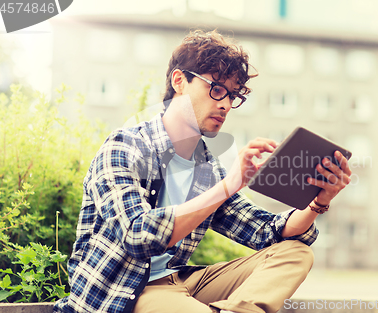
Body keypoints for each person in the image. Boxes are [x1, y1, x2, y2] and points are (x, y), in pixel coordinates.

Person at [53, 29, 352, 313]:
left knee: (295, 253)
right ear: (179, 81)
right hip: (124, 293)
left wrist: (318, 200)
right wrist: (229, 185)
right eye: (216, 89)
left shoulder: (207, 170)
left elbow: (266, 232)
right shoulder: (125, 147)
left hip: (180, 284)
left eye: (233, 95)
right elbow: (137, 236)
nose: (225, 104)